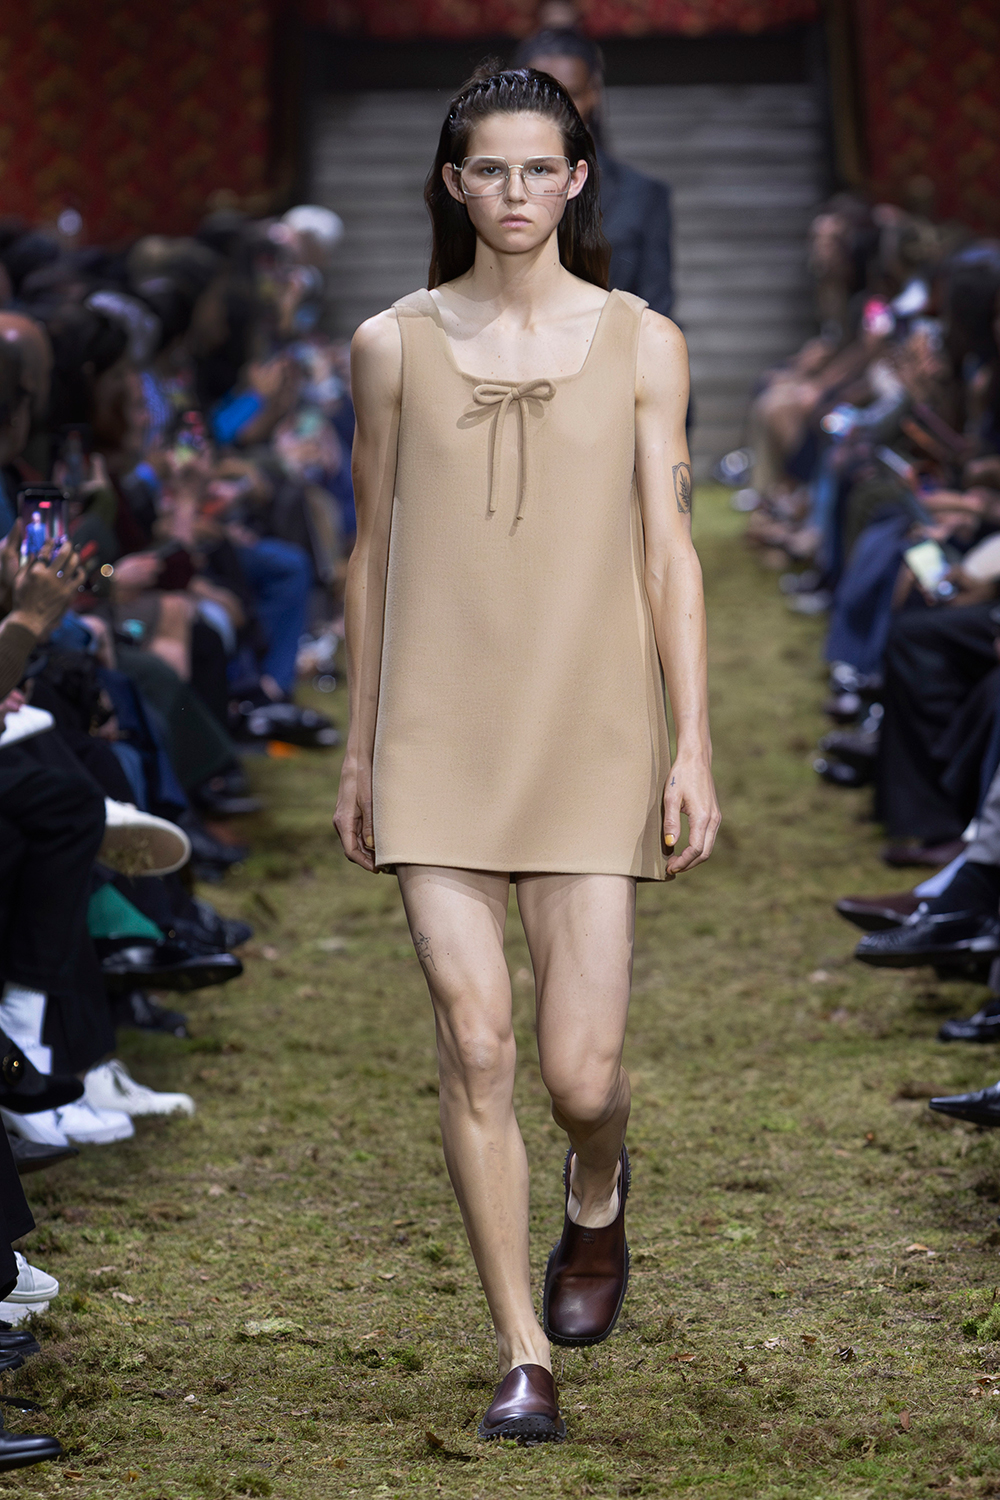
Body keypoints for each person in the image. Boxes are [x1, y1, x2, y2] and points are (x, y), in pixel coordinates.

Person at [334, 66, 719, 1444]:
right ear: (454, 183)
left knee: (580, 1078)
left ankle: (596, 1188)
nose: (512, 192)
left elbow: (670, 554)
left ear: (576, 179)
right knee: (476, 1042)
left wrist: (692, 744)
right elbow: (370, 553)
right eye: (488, 169)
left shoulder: (643, 343)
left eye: (536, 168)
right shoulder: (390, 345)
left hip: (589, 722)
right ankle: (520, 1353)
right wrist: (360, 749)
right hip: (435, 726)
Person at [511, 28, 674, 320]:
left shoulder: (642, 195)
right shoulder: (485, 188)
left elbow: (658, 310)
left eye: (571, 94)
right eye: (541, 93)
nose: (556, 108)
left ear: (593, 94)